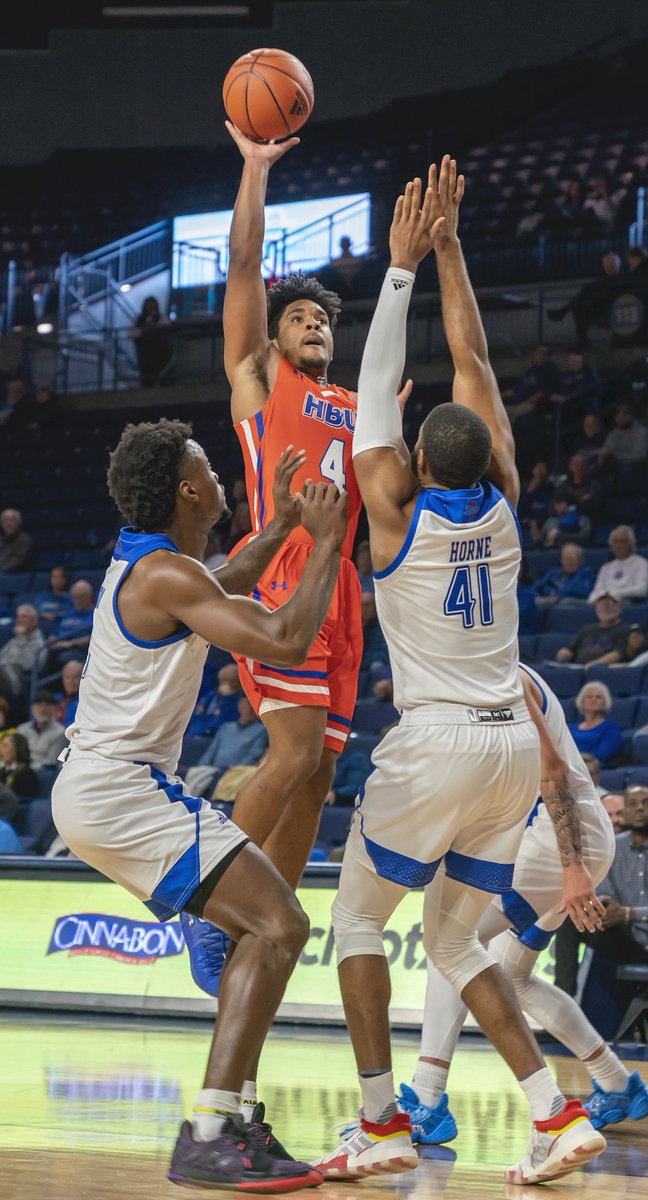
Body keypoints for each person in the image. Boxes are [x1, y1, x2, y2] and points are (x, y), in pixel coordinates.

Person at [313, 161, 604, 1185]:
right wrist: (450, 249)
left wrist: (397, 268)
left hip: (437, 739)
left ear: (415, 469)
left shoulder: (392, 510)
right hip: (509, 751)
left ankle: (383, 1121)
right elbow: (474, 354)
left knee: (354, 920)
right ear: (490, 461)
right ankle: (553, 1114)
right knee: (454, 943)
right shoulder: (509, 498)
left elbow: (375, 419)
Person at [50, 417, 348, 1191]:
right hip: (120, 789)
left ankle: (235, 1119)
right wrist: (322, 539)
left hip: (109, 787)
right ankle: (210, 1129)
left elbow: (231, 580)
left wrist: (280, 521)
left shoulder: (164, 567)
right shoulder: (165, 576)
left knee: (268, 928)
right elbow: (283, 637)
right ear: (188, 489)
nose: (220, 476)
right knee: (281, 922)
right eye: (209, 466)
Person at [197, 121, 371, 1011]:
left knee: (321, 773)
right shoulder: (261, 387)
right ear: (271, 339)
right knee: (293, 747)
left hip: (343, 591)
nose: (313, 328)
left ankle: (271, 918)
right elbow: (240, 271)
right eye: (298, 318)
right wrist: (254, 170)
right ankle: (203, 903)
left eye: (321, 321)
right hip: (282, 580)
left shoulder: (350, 401)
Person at [401, 664, 646, 1142]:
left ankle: (427, 1099)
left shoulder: (497, 674)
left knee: (447, 942)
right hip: (563, 835)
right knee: (511, 977)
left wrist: (573, 866)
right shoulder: (482, 672)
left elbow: (551, 771)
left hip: (562, 838)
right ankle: (617, 1083)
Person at [554, 785, 648, 998]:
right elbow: (604, 890)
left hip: (633, 922)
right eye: (633, 804)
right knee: (571, 918)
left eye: (646, 803)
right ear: (626, 812)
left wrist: (629, 913)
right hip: (628, 938)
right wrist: (606, 905)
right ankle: (564, 1005)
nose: (640, 809)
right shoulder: (613, 846)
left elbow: (626, 912)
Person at [184, 696, 268, 798]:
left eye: (251, 706)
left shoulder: (260, 731)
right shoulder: (226, 727)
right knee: (195, 773)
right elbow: (211, 751)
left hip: (233, 772)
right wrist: (201, 767)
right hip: (211, 770)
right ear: (239, 705)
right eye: (246, 705)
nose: (248, 709)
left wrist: (228, 771)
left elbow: (253, 756)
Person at [547, 252, 624, 349]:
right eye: (607, 263)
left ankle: (562, 311)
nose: (609, 265)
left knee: (582, 298)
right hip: (599, 309)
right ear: (603, 265)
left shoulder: (622, 280)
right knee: (579, 305)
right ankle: (583, 341)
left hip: (613, 310)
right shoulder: (601, 280)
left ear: (618, 264)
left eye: (612, 263)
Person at [555, 593, 630, 667]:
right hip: (577, 668)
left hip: (602, 670)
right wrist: (563, 654)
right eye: (601, 605)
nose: (605, 608)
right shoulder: (587, 628)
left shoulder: (625, 629)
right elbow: (571, 649)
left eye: (609, 604)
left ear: (620, 608)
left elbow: (618, 653)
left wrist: (595, 664)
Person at [568, 681, 622, 768]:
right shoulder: (570, 728)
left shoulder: (610, 728)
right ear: (582, 701)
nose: (593, 700)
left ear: (605, 702)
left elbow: (603, 753)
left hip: (590, 767)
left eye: (598, 697)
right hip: (568, 765)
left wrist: (578, 760)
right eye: (589, 697)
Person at [588, 526, 648, 604]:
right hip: (605, 604)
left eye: (623, 541)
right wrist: (592, 600)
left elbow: (642, 590)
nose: (618, 545)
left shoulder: (641, 563)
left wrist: (614, 594)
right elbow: (596, 591)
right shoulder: (606, 567)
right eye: (615, 542)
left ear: (630, 544)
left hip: (627, 604)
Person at [0, 604, 46, 701]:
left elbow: (29, 665)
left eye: (24, 616)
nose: (19, 620)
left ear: (34, 621)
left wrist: (21, 638)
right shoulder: (15, 640)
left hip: (17, 684)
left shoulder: (39, 643)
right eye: (17, 616)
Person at [47, 579, 95, 669]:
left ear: (89, 597)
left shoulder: (95, 614)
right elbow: (56, 632)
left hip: (80, 649)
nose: (77, 600)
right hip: (59, 646)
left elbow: (90, 639)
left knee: (61, 659)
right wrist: (53, 638)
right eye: (74, 597)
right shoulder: (68, 613)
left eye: (80, 597)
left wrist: (70, 643)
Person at [16, 690, 67, 768]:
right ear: (32, 708)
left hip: (43, 774)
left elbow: (51, 762)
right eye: (39, 705)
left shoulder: (60, 732)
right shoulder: (22, 729)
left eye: (47, 705)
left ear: (54, 709)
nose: (42, 709)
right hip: (20, 770)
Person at [130, 296, 173, 387]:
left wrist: (154, 327)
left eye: (152, 305)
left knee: (158, 369)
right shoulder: (139, 319)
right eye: (148, 305)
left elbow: (167, 329)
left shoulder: (161, 318)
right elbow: (133, 333)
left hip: (159, 350)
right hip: (144, 350)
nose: (150, 307)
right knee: (146, 372)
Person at [601, 403, 648, 468]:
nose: (620, 418)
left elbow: (639, 456)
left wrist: (615, 454)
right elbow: (606, 449)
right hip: (615, 469)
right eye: (618, 415)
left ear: (631, 416)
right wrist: (603, 455)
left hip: (637, 471)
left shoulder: (642, 431)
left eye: (624, 415)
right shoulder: (614, 434)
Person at [0, 731, 39, 798]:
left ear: (16, 749)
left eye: (5, 746)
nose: (0, 750)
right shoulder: (3, 771)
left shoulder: (27, 774)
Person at [0, 508, 35, 574]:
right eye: (5, 520)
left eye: (12, 520)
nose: (8, 523)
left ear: (18, 522)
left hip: (15, 576)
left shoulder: (25, 540)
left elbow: (17, 561)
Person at [53, 660, 83, 727]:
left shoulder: (86, 700)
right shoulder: (54, 698)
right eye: (68, 677)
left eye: (75, 677)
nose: (71, 681)